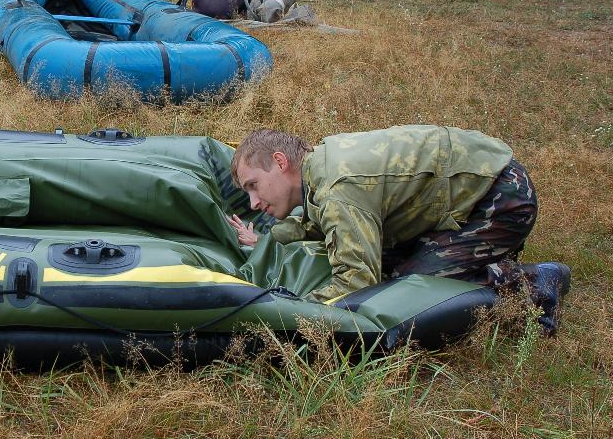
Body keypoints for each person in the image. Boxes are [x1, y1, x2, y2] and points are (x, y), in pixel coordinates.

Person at [227, 125, 570, 332]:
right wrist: (268, 240)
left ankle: (534, 284)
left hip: (499, 199)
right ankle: (485, 261)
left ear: (280, 162)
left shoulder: (337, 187)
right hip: (475, 189)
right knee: (391, 267)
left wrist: (289, 309)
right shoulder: (319, 167)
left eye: (254, 185)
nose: (253, 202)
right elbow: (317, 221)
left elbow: (357, 282)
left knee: (407, 291)